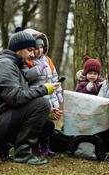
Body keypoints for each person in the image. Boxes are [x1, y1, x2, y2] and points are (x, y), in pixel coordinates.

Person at [0, 29, 59, 165]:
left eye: (34, 50)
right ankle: (22, 153)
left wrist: (47, 113)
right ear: (18, 49)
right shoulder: (5, 65)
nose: (33, 54)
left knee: (47, 124)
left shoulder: (15, 65)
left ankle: (4, 146)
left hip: (2, 117)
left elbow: (19, 100)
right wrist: (43, 89)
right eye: (30, 50)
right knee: (42, 104)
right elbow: (15, 98)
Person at [21, 28, 63, 156]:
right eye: (36, 47)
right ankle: (35, 146)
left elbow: (54, 77)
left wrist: (59, 92)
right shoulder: (28, 61)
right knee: (39, 124)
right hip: (37, 96)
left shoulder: (48, 60)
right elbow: (26, 76)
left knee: (49, 124)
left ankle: (45, 147)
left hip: (50, 96)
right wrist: (38, 69)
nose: (39, 50)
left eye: (42, 47)